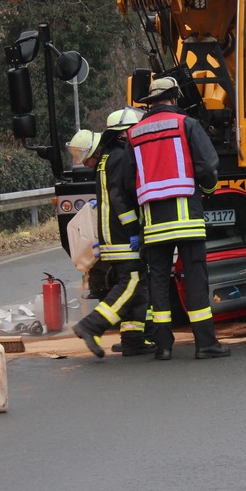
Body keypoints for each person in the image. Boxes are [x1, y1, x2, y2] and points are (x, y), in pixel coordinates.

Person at [126, 76, 230, 360]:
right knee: (195, 277)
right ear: (174, 98)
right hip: (187, 219)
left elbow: (127, 180)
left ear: (151, 103)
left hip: (153, 223)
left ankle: (163, 347)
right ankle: (205, 344)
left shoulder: (134, 133)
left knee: (158, 280)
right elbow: (208, 164)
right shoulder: (186, 124)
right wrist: (208, 189)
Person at [71, 108, 152, 357]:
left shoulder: (108, 157)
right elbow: (120, 199)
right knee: (133, 282)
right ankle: (91, 325)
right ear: (123, 134)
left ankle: (133, 340)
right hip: (121, 238)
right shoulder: (118, 156)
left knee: (140, 289)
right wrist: (134, 231)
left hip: (112, 237)